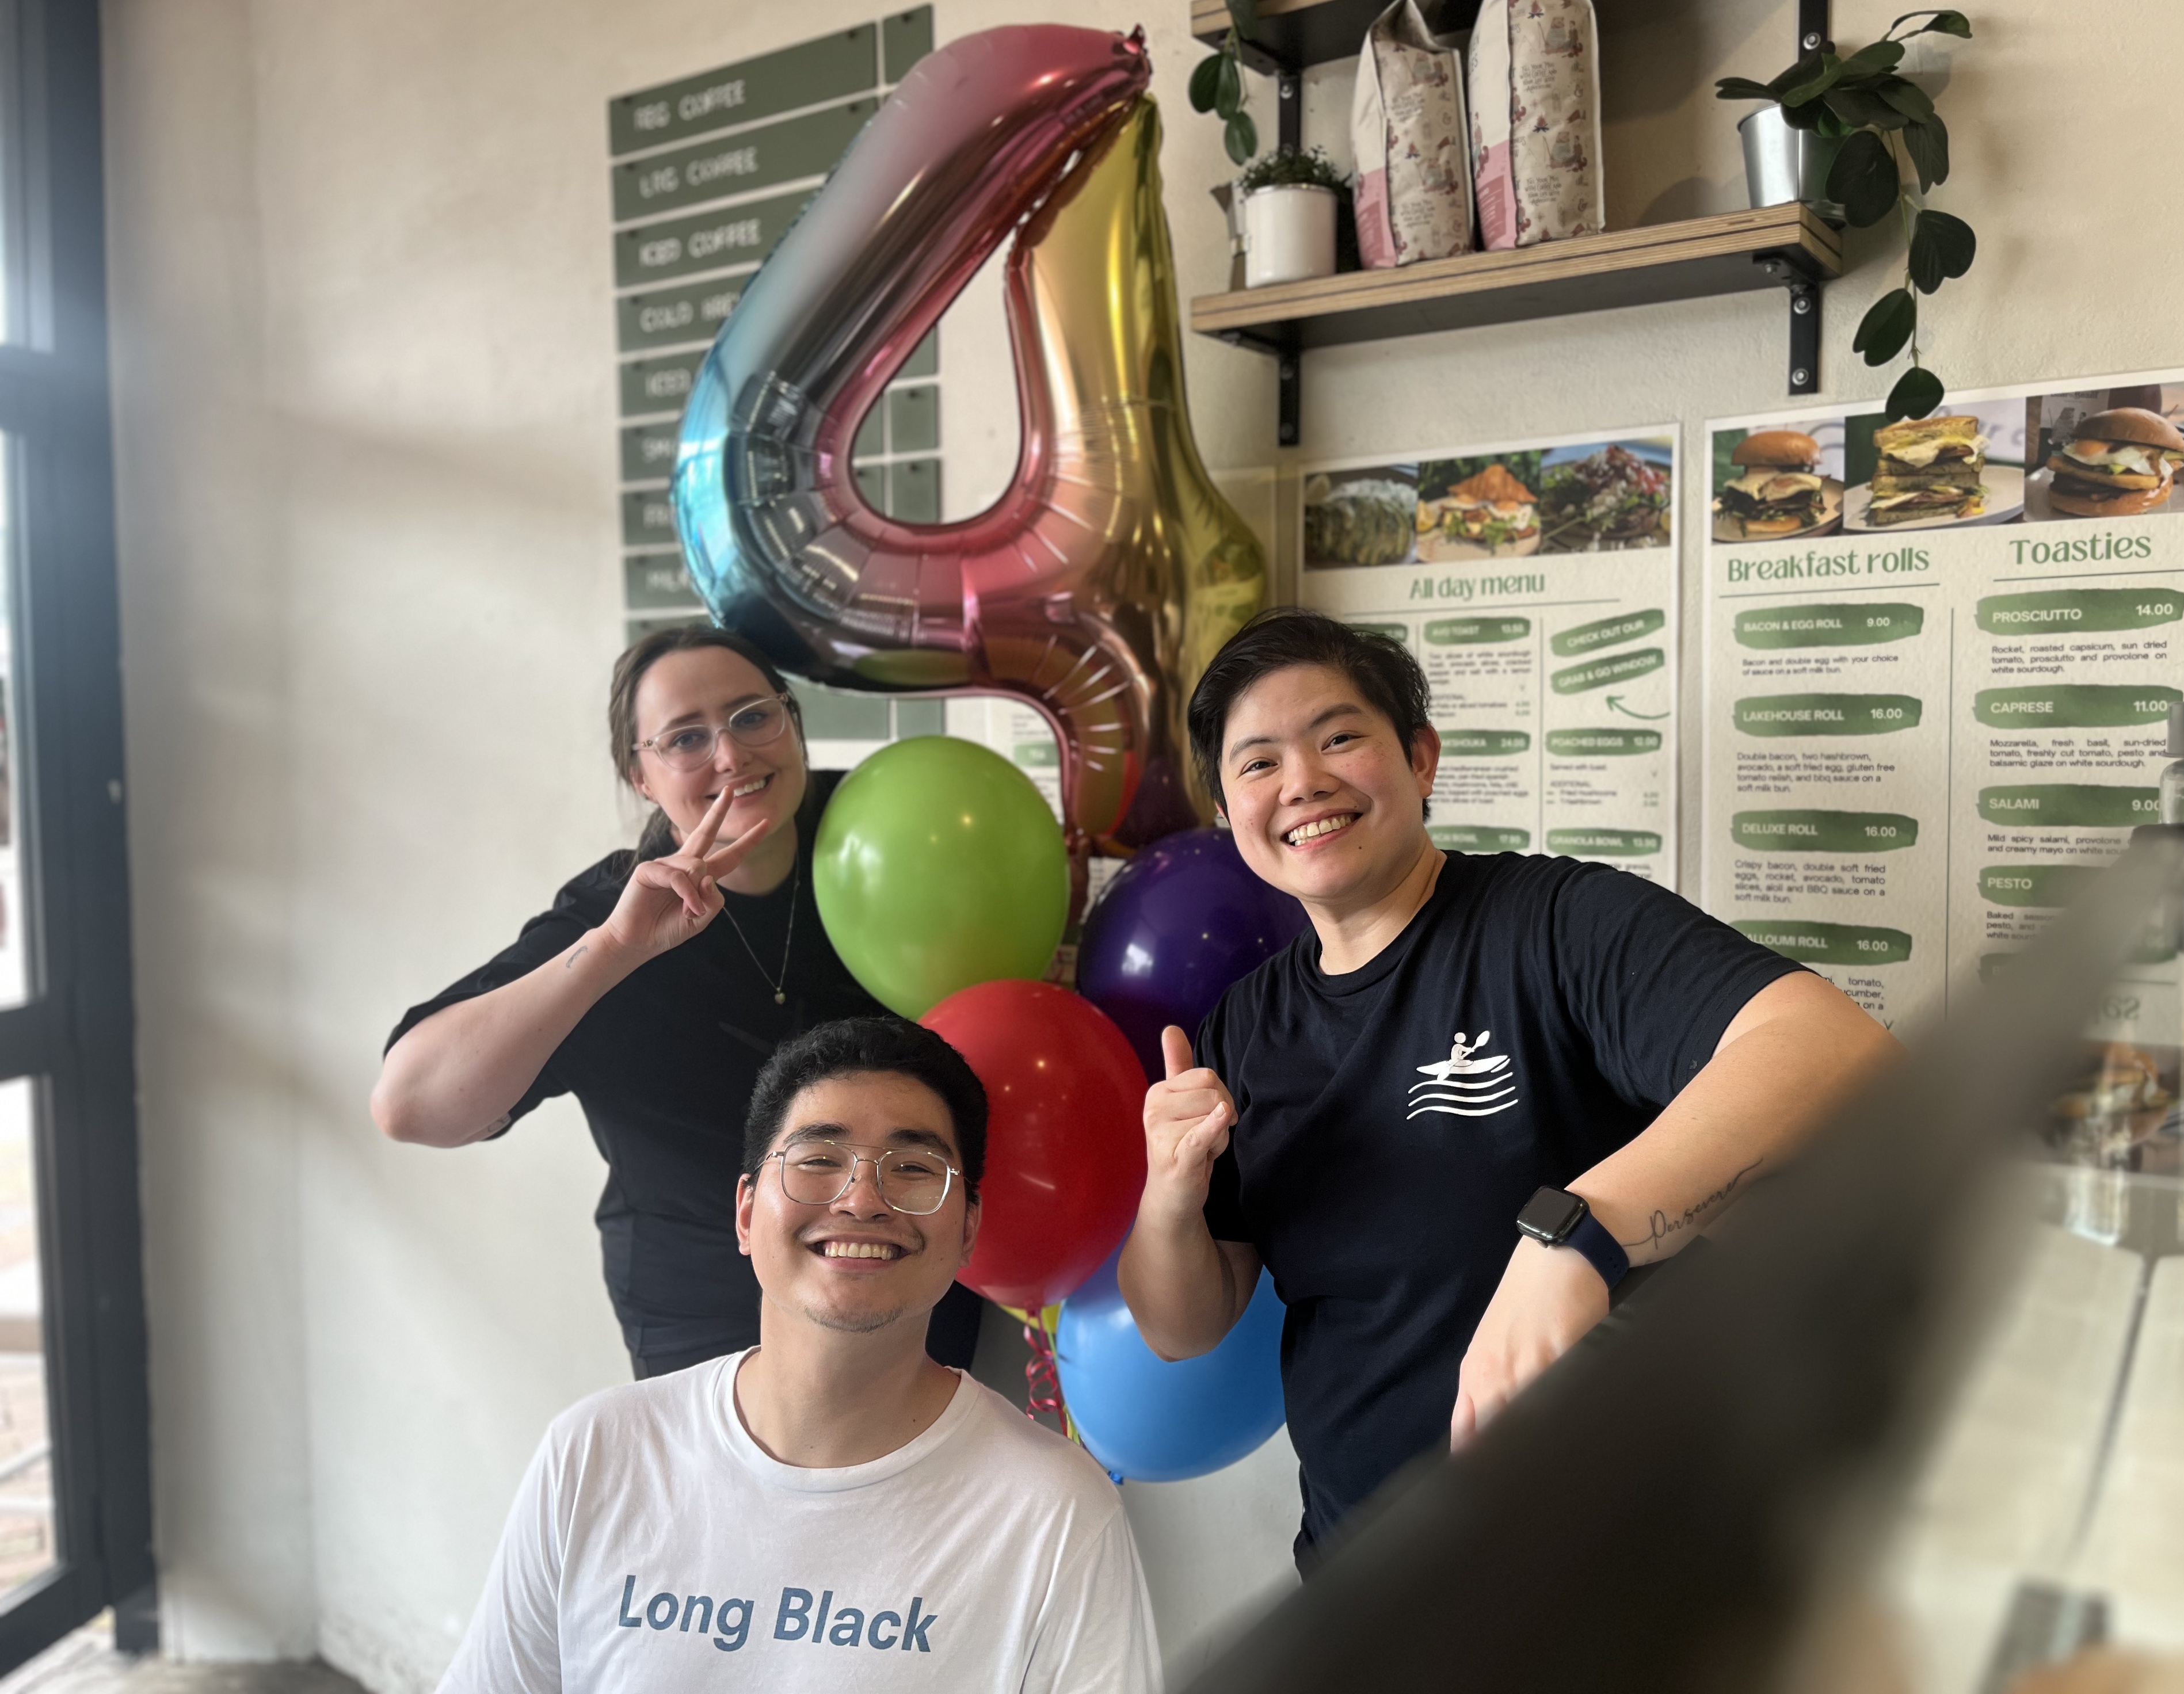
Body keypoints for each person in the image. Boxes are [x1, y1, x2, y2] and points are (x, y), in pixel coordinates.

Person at [1118, 608, 1901, 1570]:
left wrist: (1575, 1240)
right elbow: (1182, 1327)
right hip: (1362, 1577)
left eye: (1339, 737)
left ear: (1421, 759)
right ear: (1227, 812)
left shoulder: (1556, 926)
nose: (1303, 782)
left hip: (1598, 1568)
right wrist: (1170, 1193)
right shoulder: (1244, 1026)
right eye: (1258, 762)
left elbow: (1837, 1048)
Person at [441, 1015, 1162, 1693]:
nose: (862, 1200)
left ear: (968, 1229)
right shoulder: (595, 1454)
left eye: (914, 1168)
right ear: (746, 1213)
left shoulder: (1054, 1511)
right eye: (819, 1158)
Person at [373, 625, 981, 1377]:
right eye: (686, 738)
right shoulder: (612, 915)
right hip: (706, 1314)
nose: (731, 755)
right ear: (641, 777)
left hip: (904, 1273)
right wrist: (615, 950)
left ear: (792, 722)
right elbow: (409, 1107)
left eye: (753, 716)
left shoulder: (890, 836)